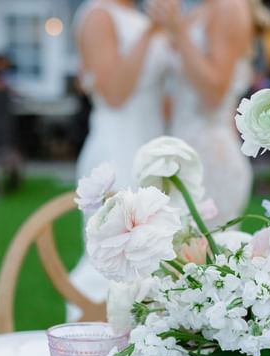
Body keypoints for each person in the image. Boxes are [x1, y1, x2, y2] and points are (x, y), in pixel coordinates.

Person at [68, 0, 168, 317]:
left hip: (151, 142)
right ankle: (88, 339)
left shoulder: (136, 17)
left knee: (152, 257)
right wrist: (153, 30)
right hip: (117, 148)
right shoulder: (98, 15)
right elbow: (114, 92)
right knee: (113, 254)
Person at [149, 0, 264, 226]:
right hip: (180, 147)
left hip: (209, 158)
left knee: (208, 252)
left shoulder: (230, 7)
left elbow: (213, 95)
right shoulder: (196, 12)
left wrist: (178, 32)